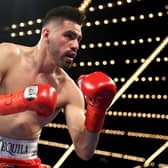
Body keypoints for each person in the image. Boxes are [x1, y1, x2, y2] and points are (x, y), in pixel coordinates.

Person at [0, 5, 117, 168]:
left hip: (26, 161)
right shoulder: (6, 55)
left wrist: (97, 111)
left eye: (78, 39)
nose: (75, 45)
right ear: (46, 34)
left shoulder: (69, 90)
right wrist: (20, 100)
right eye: (69, 36)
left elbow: (84, 151)